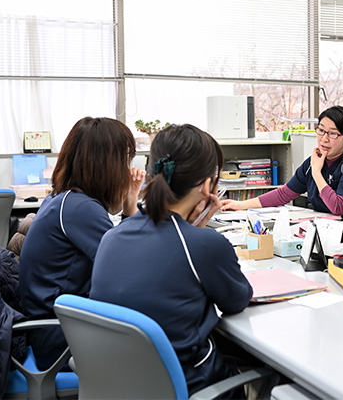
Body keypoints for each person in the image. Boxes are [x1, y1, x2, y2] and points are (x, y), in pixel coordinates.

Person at [90, 124, 253, 397]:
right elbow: (238, 299)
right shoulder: (205, 245)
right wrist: (198, 229)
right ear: (205, 185)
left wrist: (192, 230)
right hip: (189, 385)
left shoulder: (112, 236)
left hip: (125, 384)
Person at [19, 117, 146, 370]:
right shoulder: (80, 208)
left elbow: (121, 251)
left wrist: (130, 204)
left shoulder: (64, 198)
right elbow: (129, 267)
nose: (127, 169)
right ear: (106, 164)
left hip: (57, 329)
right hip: (63, 340)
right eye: (125, 160)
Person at [221, 106, 343, 226]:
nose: (324, 139)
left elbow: (338, 207)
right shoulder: (314, 160)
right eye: (321, 131)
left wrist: (317, 172)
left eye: (332, 134)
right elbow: (284, 194)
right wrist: (241, 205)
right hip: (326, 228)